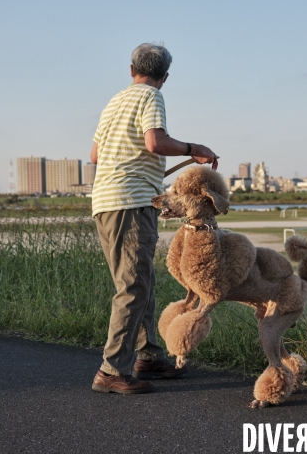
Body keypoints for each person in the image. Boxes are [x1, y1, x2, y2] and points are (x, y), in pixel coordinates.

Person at [89, 43, 218, 395]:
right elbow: (154, 142)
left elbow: (96, 154)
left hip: (105, 202)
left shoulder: (114, 102)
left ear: (131, 70)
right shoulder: (151, 97)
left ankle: (148, 356)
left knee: (140, 282)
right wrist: (194, 149)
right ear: (164, 77)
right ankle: (111, 370)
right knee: (133, 287)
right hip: (130, 204)